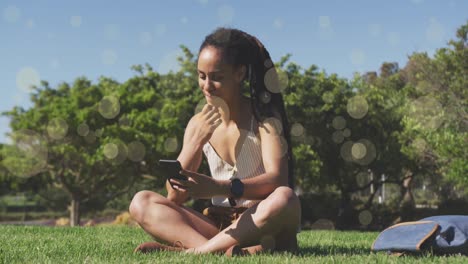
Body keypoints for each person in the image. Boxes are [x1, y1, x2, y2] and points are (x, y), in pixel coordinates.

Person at [129, 27, 301, 255]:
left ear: (239, 74)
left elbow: (278, 180)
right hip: (220, 227)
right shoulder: (197, 123)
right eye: (202, 76)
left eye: (217, 78)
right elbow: (174, 196)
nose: (207, 86)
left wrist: (219, 187)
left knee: (285, 198)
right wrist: (193, 144)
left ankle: (195, 252)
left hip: (262, 221)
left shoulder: (264, 119)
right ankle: (226, 250)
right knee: (141, 202)